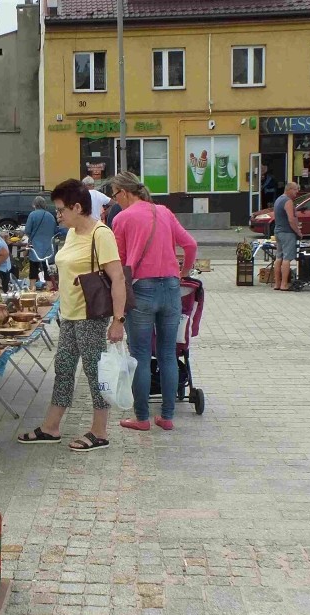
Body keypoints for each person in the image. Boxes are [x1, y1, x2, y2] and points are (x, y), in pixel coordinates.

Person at [16, 179, 125, 452]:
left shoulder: (101, 234)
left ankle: (100, 431)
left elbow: (118, 278)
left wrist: (118, 321)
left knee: (94, 373)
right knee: (63, 369)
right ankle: (51, 427)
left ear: (78, 207)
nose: (58, 215)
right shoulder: (74, 232)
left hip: (90, 316)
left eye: (61, 209)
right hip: (69, 315)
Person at [111, 172, 197, 432]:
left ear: (124, 193)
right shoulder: (164, 212)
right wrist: (183, 274)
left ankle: (142, 418)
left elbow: (119, 261)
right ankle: (167, 416)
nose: (115, 201)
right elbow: (190, 245)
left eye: (115, 195)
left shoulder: (122, 218)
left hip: (141, 290)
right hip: (171, 288)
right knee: (168, 353)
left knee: (140, 355)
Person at [272, 182, 302, 291]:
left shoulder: (278, 199)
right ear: (289, 189)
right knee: (287, 258)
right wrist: (298, 232)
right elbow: (291, 219)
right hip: (287, 232)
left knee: (278, 257)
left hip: (278, 231)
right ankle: (284, 284)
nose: (296, 192)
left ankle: (277, 283)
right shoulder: (288, 201)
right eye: (295, 190)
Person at [24, 196, 58, 289]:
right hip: (49, 246)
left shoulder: (32, 215)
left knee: (33, 267)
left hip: (35, 245)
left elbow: (27, 230)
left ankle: (32, 287)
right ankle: (49, 287)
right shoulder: (50, 216)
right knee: (48, 267)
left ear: (35, 204)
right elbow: (55, 230)